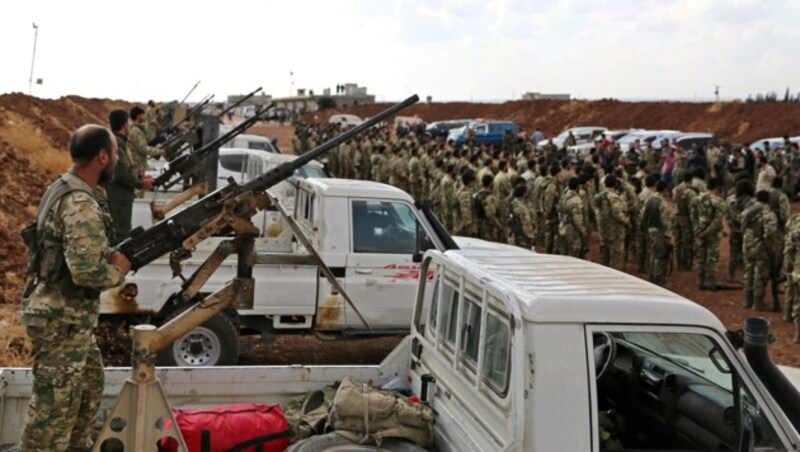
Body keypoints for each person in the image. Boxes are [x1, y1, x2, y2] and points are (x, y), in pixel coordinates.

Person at [19, 125, 133, 451]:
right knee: (52, 415)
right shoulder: (80, 201)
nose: (116, 160)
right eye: (114, 153)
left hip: (70, 320)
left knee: (87, 391)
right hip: (61, 321)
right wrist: (119, 269)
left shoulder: (64, 187)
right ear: (102, 156)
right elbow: (87, 273)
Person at [102, 109, 154, 244]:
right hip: (118, 198)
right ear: (125, 124)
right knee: (120, 235)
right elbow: (121, 172)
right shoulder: (115, 144)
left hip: (119, 197)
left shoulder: (116, 142)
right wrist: (140, 183)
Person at [742, 189, 778, 311]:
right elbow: (770, 234)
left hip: (747, 244)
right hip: (760, 246)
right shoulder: (769, 214)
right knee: (760, 273)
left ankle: (748, 300)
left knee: (749, 271)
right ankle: (758, 303)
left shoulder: (748, 211)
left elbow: (743, 227)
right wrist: (771, 249)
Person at [692, 177, 725, 290]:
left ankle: (700, 280)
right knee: (711, 257)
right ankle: (710, 281)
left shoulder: (697, 199)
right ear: (716, 188)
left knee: (701, 256)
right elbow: (717, 220)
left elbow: (693, 214)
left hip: (700, 230)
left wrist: (697, 228)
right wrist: (708, 231)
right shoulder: (718, 201)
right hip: (712, 234)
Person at [641, 180, 673, 286]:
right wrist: (668, 235)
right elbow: (664, 220)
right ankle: (657, 282)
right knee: (660, 256)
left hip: (649, 229)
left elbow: (643, 216)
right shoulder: (662, 202)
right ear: (664, 189)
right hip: (659, 231)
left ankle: (651, 278)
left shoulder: (649, 199)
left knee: (652, 255)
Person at [557, 176, 588, 258]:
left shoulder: (563, 197)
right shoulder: (576, 200)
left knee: (564, 254)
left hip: (562, 227)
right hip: (572, 231)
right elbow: (578, 221)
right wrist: (583, 232)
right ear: (578, 186)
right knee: (574, 255)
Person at [508, 184, 536, 249]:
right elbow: (526, 223)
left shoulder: (513, 202)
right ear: (524, 194)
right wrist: (531, 237)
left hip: (513, 234)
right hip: (522, 238)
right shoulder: (522, 208)